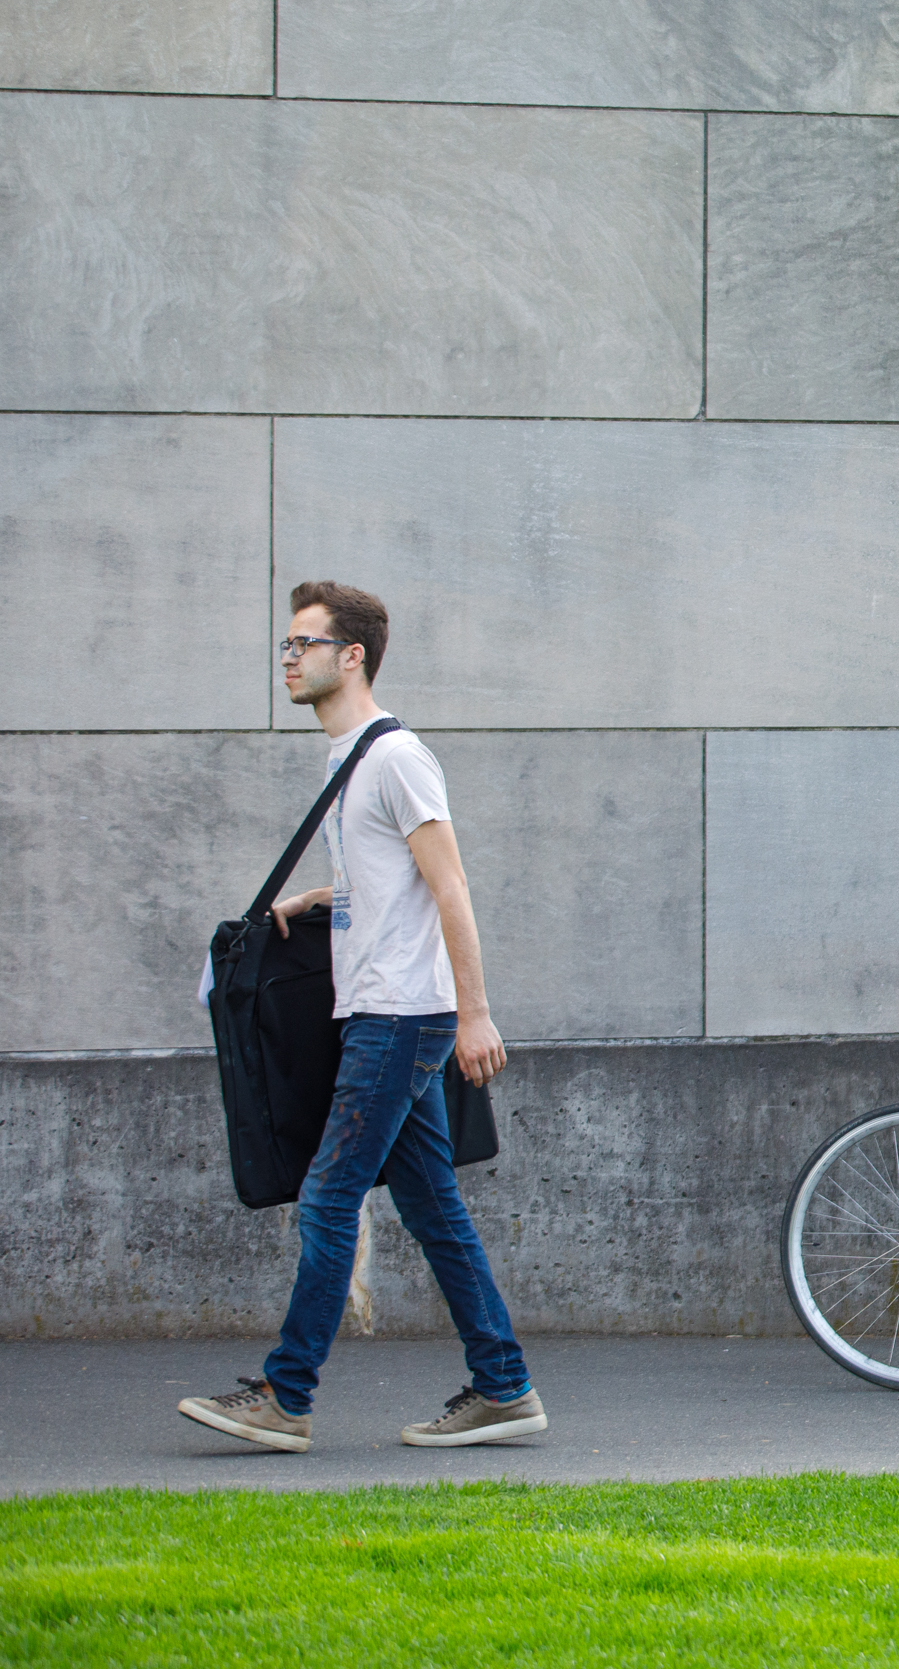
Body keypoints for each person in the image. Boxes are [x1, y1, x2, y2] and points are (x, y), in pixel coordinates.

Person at [177, 583, 543, 1454]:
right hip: (379, 1009)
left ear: (353, 657)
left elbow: (452, 886)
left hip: (402, 1016)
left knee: (330, 1194)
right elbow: (402, 878)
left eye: (303, 643)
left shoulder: (395, 757)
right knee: (431, 1206)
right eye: (285, 643)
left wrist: (474, 1016)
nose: (287, 657)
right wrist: (328, 895)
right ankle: (504, 1386)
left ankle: (286, 1394)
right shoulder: (350, 760)